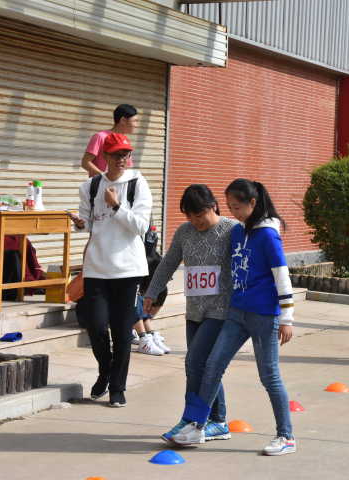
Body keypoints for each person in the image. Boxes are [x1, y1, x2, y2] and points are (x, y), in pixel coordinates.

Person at [172, 179, 296, 456]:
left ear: (253, 203)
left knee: (269, 375)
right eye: (229, 207)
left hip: (264, 315)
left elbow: (281, 275)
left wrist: (287, 318)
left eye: (237, 207)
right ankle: (198, 425)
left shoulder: (268, 235)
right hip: (236, 312)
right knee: (212, 365)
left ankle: (286, 436)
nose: (233, 212)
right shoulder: (238, 232)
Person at [143, 185, 237, 442]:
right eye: (190, 216)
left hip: (221, 310)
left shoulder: (231, 230)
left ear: (213, 206)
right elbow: (167, 264)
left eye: (200, 215)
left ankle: (192, 420)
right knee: (205, 367)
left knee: (194, 363)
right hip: (194, 310)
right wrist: (152, 292)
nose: (196, 221)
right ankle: (218, 421)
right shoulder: (185, 232)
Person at [70, 133, 152, 407]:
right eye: (116, 154)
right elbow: (89, 223)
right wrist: (79, 223)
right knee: (95, 326)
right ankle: (105, 370)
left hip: (128, 270)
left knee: (121, 331)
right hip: (96, 268)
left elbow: (141, 226)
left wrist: (117, 206)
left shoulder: (137, 183)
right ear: (104, 156)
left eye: (125, 154)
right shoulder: (91, 186)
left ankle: (117, 387)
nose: (122, 159)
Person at [81, 104, 137, 176]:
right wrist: (104, 178)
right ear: (123, 120)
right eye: (134, 121)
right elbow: (85, 162)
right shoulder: (100, 137)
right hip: (100, 183)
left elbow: (126, 167)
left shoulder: (126, 141)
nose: (136, 125)